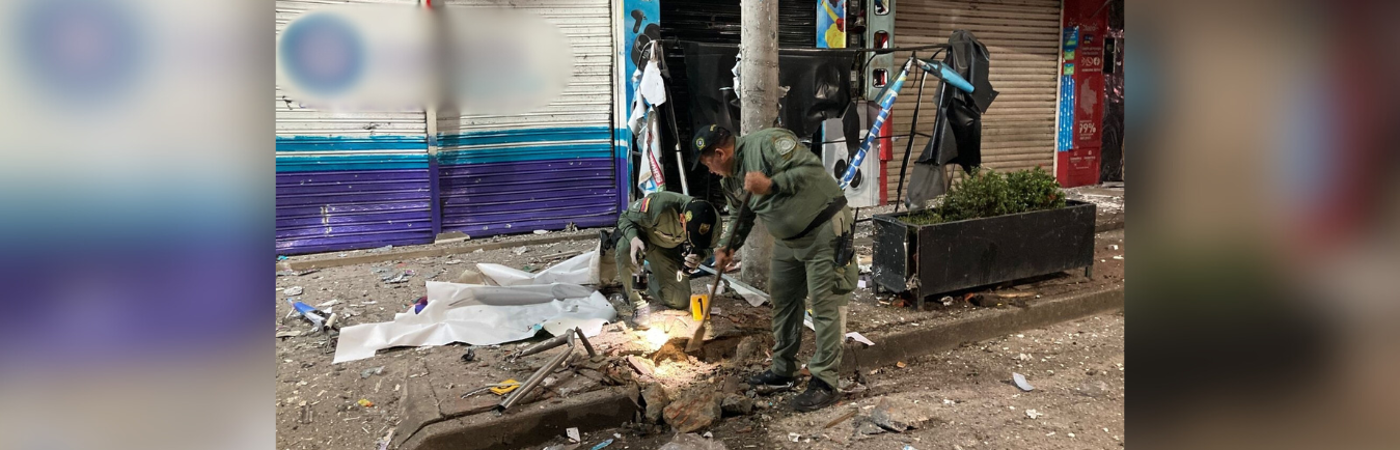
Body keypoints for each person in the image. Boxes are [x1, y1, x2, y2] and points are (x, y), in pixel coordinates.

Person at [692, 124, 858, 412]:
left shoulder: (767, 143)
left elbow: (811, 171)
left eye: (708, 164)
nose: (710, 171)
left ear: (719, 153)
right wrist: (727, 246)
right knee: (782, 297)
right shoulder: (729, 181)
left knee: (825, 303)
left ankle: (825, 382)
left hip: (824, 227)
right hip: (788, 240)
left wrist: (771, 184)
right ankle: (784, 369)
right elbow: (741, 215)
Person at [603, 191, 718, 328]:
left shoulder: (713, 221)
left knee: (680, 301)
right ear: (682, 219)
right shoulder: (659, 207)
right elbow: (624, 217)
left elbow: (709, 248)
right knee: (625, 249)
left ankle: (641, 282)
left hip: (668, 251)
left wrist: (699, 256)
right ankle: (638, 303)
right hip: (643, 241)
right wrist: (633, 238)